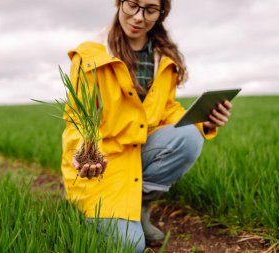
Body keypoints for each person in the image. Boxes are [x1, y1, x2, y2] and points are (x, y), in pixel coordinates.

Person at [61, 0, 233, 252]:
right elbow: (79, 117)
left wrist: (203, 120)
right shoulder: (90, 56)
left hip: (138, 154)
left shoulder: (164, 58)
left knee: (189, 136)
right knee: (130, 246)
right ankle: (79, 209)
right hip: (103, 164)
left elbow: (164, 110)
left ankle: (139, 208)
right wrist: (84, 152)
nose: (139, 17)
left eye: (150, 9)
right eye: (133, 5)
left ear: (161, 13)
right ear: (119, 3)